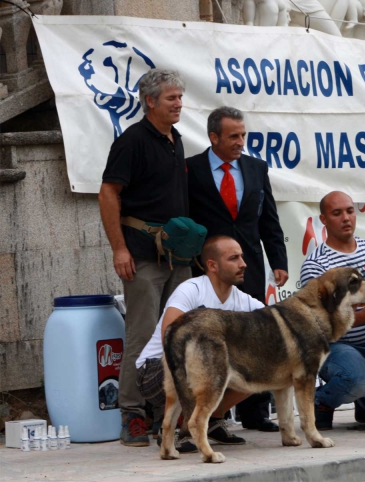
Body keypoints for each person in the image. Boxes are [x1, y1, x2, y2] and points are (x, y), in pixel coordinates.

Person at [99, 69, 190, 447]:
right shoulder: (132, 141)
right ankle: (132, 415)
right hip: (141, 256)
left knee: (178, 335)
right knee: (142, 336)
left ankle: (166, 413)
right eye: (171, 98)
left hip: (178, 257)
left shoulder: (176, 139)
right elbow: (108, 193)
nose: (179, 104)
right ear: (150, 101)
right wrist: (119, 248)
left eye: (180, 98)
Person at [186, 106, 288, 432]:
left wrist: (279, 262)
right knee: (208, 341)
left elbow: (268, 218)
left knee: (254, 338)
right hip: (208, 271)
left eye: (243, 135)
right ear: (213, 137)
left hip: (249, 268)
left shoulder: (257, 168)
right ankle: (204, 418)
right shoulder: (191, 170)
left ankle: (255, 413)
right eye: (233, 136)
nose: (240, 141)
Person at [137, 235, 266, 451]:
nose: (243, 264)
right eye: (234, 258)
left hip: (204, 371)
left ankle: (211, 420)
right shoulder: (192, 289)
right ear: (212, 265)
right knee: (205, 364)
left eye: (242, 257)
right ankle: (176, 430)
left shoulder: (244, 300)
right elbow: (168, 338)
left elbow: (272, 325)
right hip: (154, 370)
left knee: (260, 370)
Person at [299, 190, 365, 429]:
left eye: (350, 211)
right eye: (337, 213)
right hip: (335, 347)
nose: (346, 218)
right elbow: (316, 326)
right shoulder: (316, 264)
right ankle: (320, 402)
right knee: (358, 378)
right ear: (324, 220)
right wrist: (362, 317)